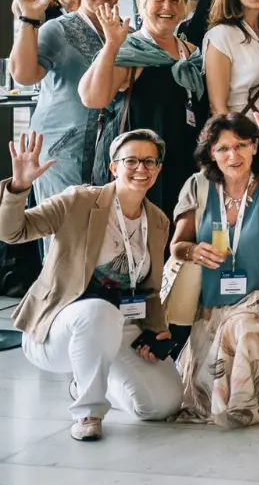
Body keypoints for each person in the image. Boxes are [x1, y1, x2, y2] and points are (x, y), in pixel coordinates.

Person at [2, 131, 181, 440]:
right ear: (113, 167)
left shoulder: (158, 221)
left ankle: (94, 376)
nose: (142, 169)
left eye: (149, 161)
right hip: (58, 325)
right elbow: (13, 232)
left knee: (163, 404)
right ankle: (88, 411)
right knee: (98, 311)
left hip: (121, 324)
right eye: (131, 161)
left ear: (158, 169)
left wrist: (158, 329)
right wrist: (19, 188)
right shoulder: (79, 201)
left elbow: (150, 289)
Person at [169, 102, 259, 427]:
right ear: (211, 155)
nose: (233, 156)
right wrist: (192, 252)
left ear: (254, 146)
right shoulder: (199, 186)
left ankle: (242, 406)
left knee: (240, 329)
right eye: (223, 149)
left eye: (241, 145)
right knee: (186, 388)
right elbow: (177, 246)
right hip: (212, 308)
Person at [78, 0, 204, 221]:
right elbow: (92, 98)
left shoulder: (192, 52)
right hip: (138, 165)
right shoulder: (130, 48)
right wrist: (112, 45)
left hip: (180, 160)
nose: (167, 7)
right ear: (142, 4)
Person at [10, 0, 127, 203]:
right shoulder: (58, 29)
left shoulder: (124, 34)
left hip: (110, 153)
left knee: (101, 233)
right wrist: (28, 20)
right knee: (62, 233)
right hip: (61, 151)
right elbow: (23, 75)